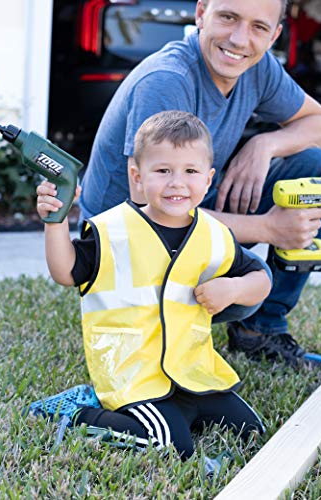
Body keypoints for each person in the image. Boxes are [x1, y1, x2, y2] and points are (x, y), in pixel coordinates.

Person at [78, 0, 321, 366]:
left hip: (181, 207)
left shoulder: (258, 67)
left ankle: (262, 329)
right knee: (246, 285)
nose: (239, 39)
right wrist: (268, 228)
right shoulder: (168, 81)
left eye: (258, 27)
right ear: (202, 13)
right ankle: (158, 318)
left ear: (274, 35)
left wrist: (264, 144)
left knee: (318, 168)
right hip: (125, 243)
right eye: (228, 17)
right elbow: (149, 211)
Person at [30, 111, 271, 459]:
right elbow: (65, 272)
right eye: (163, 171)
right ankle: (77, 413)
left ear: (208, 180)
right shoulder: (113, 231)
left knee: (252, 431)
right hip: (134, 377)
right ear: (137, 177)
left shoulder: (215, 234)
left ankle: (178, 415)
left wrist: (233, 290)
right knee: (171, 447)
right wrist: (54, 223)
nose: (177, 182)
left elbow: (261, 279)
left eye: (190, 171)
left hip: (192, 374)